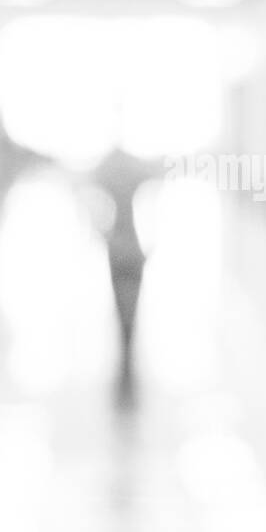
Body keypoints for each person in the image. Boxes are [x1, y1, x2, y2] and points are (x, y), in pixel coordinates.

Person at [91, 143, 158, 409]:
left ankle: (127, 354)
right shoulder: (117, 173)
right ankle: (125, 355)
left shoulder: (125, 173)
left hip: (126, 248)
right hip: (123, 248)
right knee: (124, 305)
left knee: (127, 305)